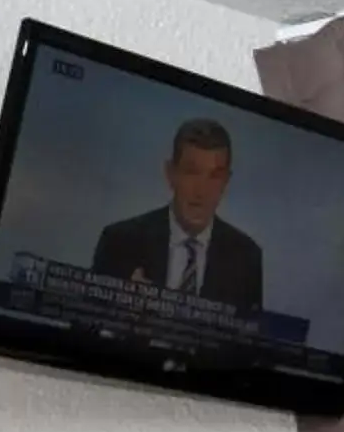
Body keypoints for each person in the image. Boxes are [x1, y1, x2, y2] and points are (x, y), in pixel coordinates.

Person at [91, 116, 265, 311]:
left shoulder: (246, 256)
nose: (201, 190)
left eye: (214, 176)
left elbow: (248, 336)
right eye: (192, 172)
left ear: (226, 182)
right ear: (170, 173)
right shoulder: (119, 242)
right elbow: (84, 327)